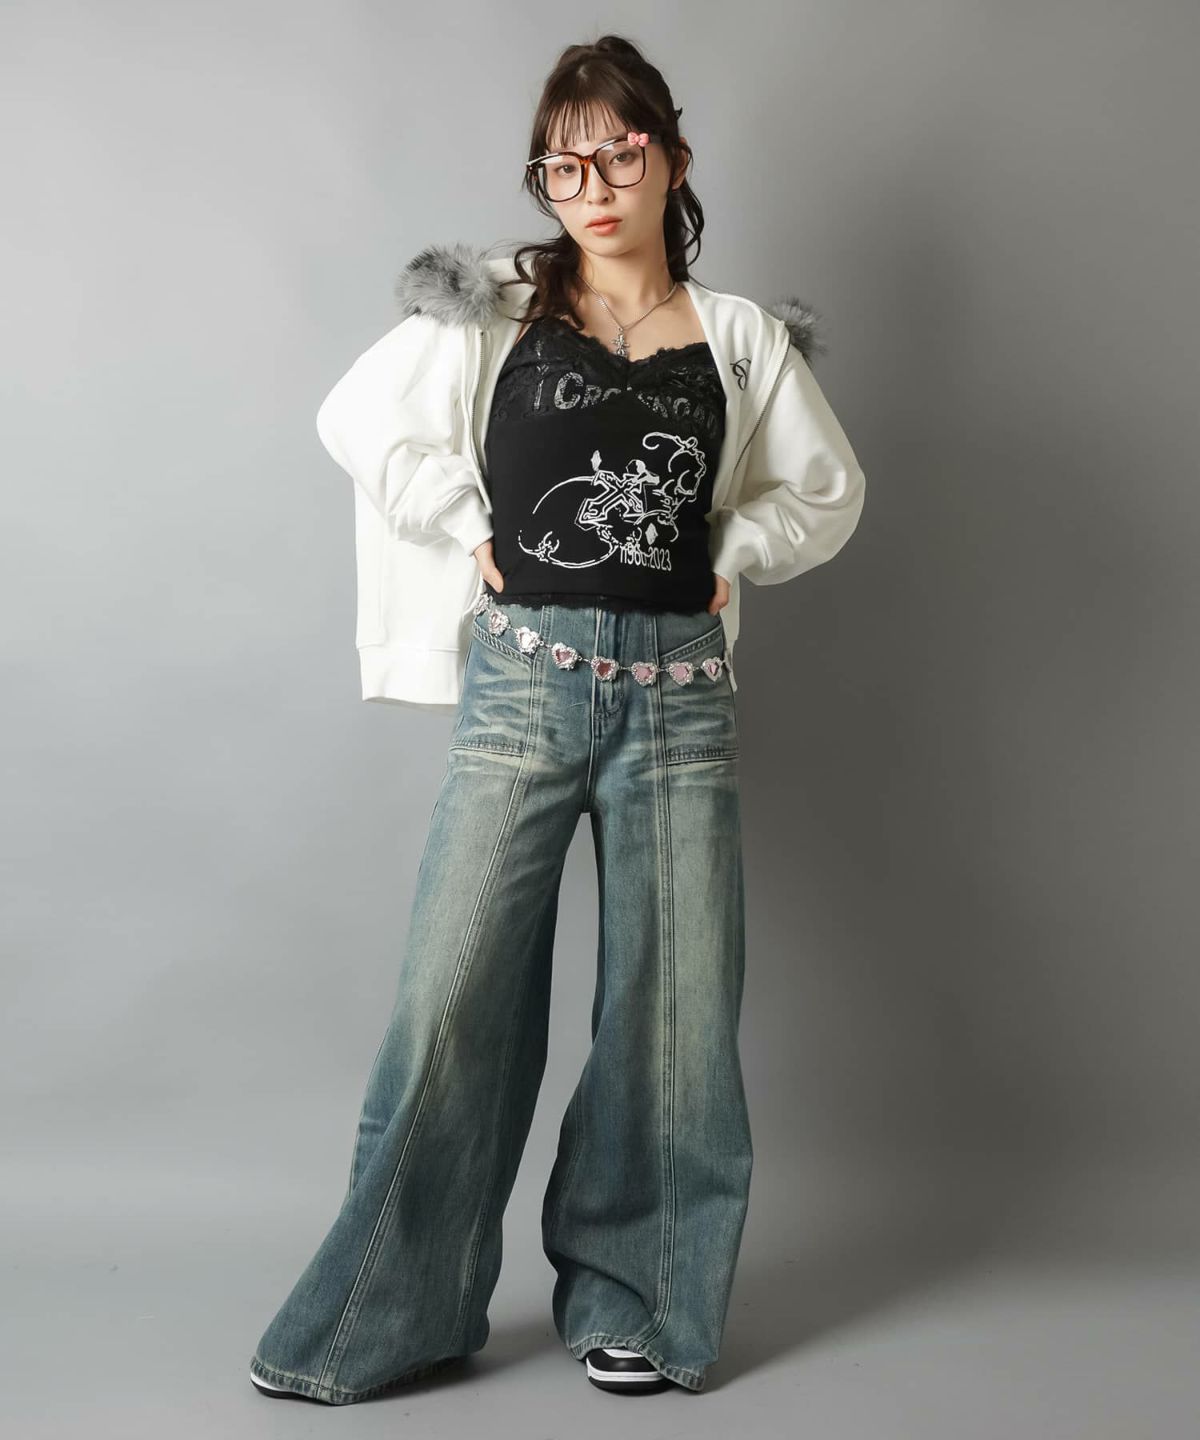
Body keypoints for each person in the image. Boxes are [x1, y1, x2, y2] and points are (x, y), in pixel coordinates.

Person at [248, 33, 866, 1404]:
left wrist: (736, 550)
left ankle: (638, 1301)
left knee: (674, 1017)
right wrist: (464, 520)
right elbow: (359, 419)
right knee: (452, 996)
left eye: (619, 156)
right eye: (562, 166)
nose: (591, 188)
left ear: (673, 160)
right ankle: (389, 1314)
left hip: (680, 705)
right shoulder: (496, 310)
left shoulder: (740, 336)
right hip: (523, 686)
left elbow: (828, 492)